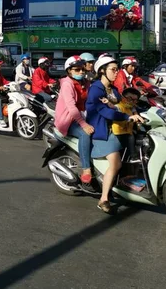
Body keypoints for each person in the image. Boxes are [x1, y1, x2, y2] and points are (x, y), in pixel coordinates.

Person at [85, 55, 144, 214]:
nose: (116, 72)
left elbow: (123, 103)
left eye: (117, 69)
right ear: (102, 71)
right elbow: (105, 112)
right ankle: (104, 199)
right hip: (103, 131)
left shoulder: (113, 88)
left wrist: (134, 110)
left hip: (119, 128)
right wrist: (127, 116)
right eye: (113, 69)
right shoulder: (96, 88)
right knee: (116, 163)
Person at [54, 56, 94, 184]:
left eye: (82, 69)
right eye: (77, 70)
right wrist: (83, 125)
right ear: (69, 71)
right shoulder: (67, 84)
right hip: (68, 120)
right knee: (85, 134)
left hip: (82, 115)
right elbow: (71, 107)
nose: (81, 72)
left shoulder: (86, 83)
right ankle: (86, 168)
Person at [112, 87, 142, 162]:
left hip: (128, 130)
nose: (133, 102)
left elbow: (135, 112)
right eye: (130, 99)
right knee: (130, 138)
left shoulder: (131, 108)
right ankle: (132, 156)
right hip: (119, 132)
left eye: (135, 100)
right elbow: (116, 115)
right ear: (123, 97)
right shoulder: (118, 107)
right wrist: (129, 118)